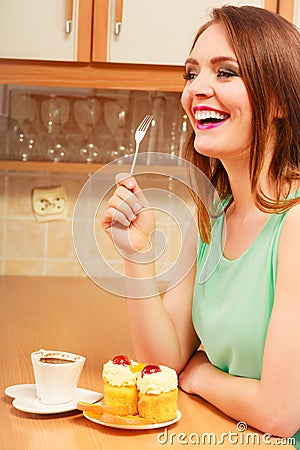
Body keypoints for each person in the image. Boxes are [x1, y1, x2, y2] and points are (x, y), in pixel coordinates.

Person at [101, 5, 300, 447]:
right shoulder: (211, 213)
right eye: (191, 74)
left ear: (282, 102)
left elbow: (281, 412)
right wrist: (137, 256)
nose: (197, 90)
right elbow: (165, 361)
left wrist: (202, 375)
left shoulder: (296, 225)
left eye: (225, 73)